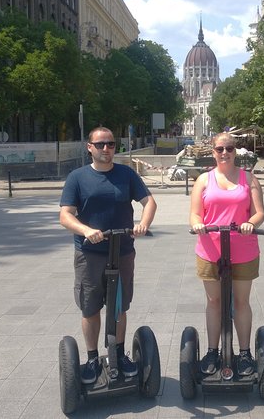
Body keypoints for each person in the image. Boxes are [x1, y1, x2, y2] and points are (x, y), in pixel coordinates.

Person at [60, 127, 157, 384]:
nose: (106, 149)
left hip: (123, 250)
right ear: (89, 147)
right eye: (101, 144)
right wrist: (86, 230)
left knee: (119, 306)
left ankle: (118, 353)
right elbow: (65, 215)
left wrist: (143, 224)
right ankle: (92, 358)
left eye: (111, 144)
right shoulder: (77, 178)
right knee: (90, 307)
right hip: (90, 253)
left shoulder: (126, 174)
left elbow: (149, 202)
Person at [189, 132, 264, 377]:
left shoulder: (249, 179)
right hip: (210, 248)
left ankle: (244, 352)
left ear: (236, 152)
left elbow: (258, 213)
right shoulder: (203, 180)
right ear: (213, 152)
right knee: (214, 301)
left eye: (229, 149)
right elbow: (195, 214)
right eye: (220, 149)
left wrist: (250, 224)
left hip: (243, 248)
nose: (225, 153)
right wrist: (198, 224)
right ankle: (213, 350)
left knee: (241, 302)